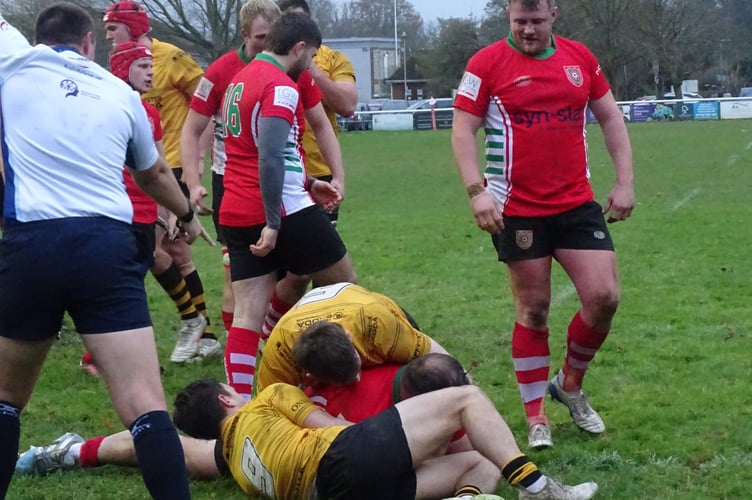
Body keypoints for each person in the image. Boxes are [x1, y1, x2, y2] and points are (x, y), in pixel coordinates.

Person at [0, 4, 206, 498]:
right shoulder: (118, 92)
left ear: (38, 39)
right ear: (90, 43)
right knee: (144, 404)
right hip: (106, 247)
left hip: (33, 242)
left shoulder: (15, 63)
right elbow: (153, 173)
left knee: (6, 398)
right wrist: (189, 215)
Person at [451, 0, 634, 450]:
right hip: (517, 209)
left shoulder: (580, 59)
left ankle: (569, 384)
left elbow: (610, 115)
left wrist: (625, 182)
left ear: (554, 13)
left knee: (604, 296)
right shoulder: (486, 64)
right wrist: (478, 192)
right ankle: (536, 416)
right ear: (508, 18)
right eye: (519, 21)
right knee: (533, 310)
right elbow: (461, 129)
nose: (528, 30)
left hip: (576, 205)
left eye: (535, 21)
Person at [218, 12, 357, 398]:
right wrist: (276, 222)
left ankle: (240, 406)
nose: (310, 64)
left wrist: (312, 181)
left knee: (247, 314)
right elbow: (270, 158)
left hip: (237, 206)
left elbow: (252, 153)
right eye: (310, 56)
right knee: (347, 290)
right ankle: (330, 384)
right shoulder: (281, 86)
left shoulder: (239, 80)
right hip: (281, 209)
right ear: (298, 48)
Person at [172, 374, 599, 498]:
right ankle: (541, 489)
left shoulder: (230, 462)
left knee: (482, 460)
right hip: (341, 459)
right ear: (228, 401)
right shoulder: (265, 399)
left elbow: (187, 456)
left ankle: (469, 498)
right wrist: (416, 437)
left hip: (334, 494)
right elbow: (336, 430)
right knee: (465, 399)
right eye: (234, 392)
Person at [102, 1, 220, 363]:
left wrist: (194, 163)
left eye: (113, 28)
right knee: (173, 253)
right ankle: (205, 331)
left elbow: (206, 105)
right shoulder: (116, 79)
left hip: (167, 171)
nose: (108, 36)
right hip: (139, 175)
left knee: (157, 253)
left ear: (135, 27)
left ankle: (192, 326)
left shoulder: (172, 58)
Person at [255, 282, 449, 393]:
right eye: (342, 381)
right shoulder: (280, 353)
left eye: (356, 365)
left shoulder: (376, 324)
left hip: (364, 306)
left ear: (348, 337)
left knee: (425, 375)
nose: (357, 379)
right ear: (306, 372)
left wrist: (469, 394)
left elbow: (442, 362)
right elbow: (265, 412)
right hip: (305, 321)